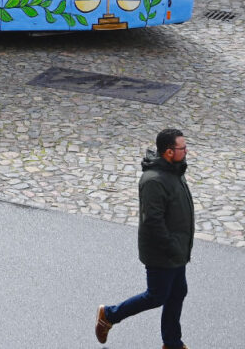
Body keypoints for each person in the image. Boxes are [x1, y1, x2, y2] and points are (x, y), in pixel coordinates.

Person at [96, 129, 195, 349]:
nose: (186, 151)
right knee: (156, 296)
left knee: (178, 292)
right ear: (169, 152)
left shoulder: (175, 170)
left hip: (177, 249)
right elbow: (153, 222)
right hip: (163, 252)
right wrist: (172, 246)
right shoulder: (154, 181)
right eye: (183, 148)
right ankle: (109, 315)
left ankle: (172, 343)